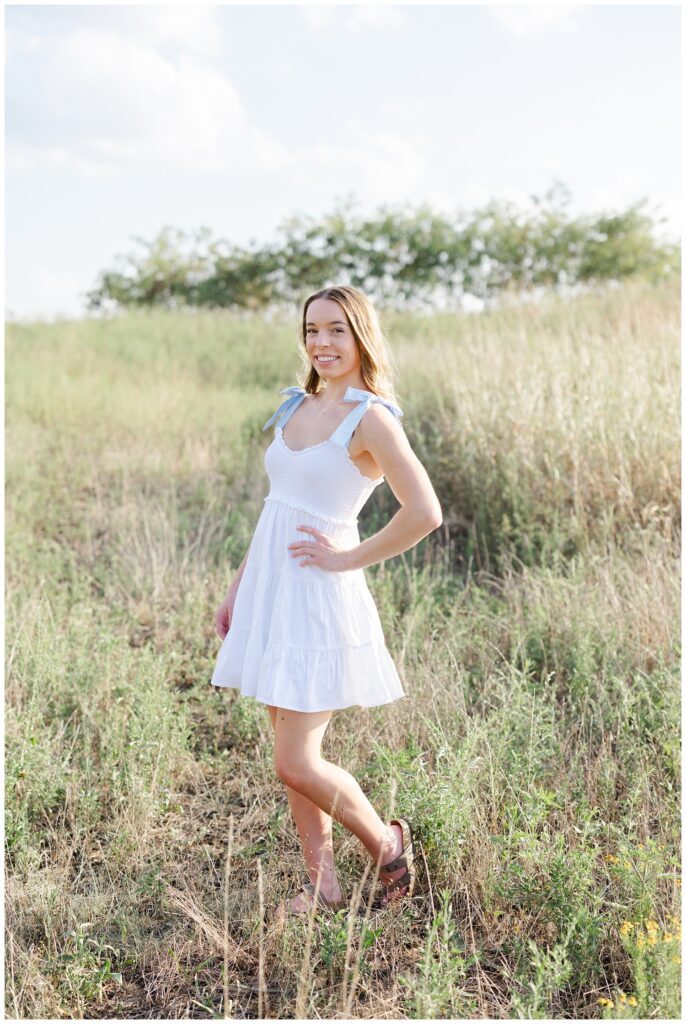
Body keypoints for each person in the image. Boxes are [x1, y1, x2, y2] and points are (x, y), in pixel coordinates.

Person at [211, 285, 442, 916]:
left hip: (317, 597)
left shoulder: (371, 418)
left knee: (296, 760)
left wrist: (346, 557)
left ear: (360, 335)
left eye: (337, 330)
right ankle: (322, 884)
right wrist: (240, 589)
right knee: (286, 750)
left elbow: (424, 512)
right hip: (271, 592)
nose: (322, 342)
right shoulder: (296, 406)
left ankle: (386, 842)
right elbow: (275, 510)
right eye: (312, 330)